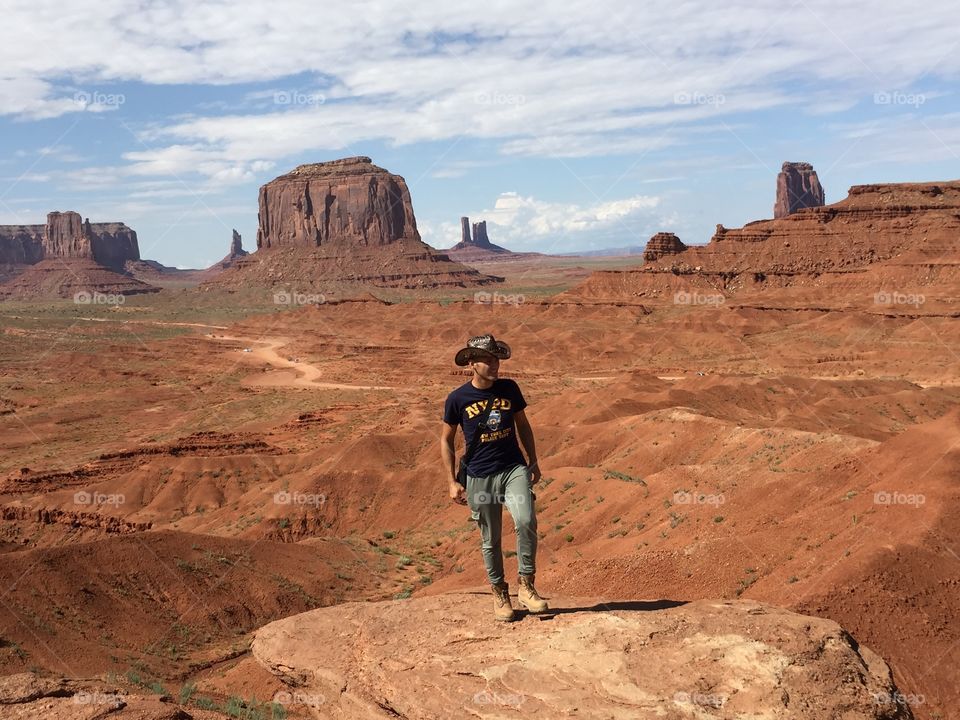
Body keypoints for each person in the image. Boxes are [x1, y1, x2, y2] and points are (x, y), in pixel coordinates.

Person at [441, 333, 548, 621]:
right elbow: (446, 440)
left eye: (496, 359)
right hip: (479, 475)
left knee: (526, 521)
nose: (494, 365)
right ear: (472, 364)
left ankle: (526, 585)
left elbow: (523, 426)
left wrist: (533, 460)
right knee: (491, 539)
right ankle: (500, 592)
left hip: (513, 468)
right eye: (487, 360)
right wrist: (452, 481)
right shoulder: (458, 398)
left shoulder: (510, 389)